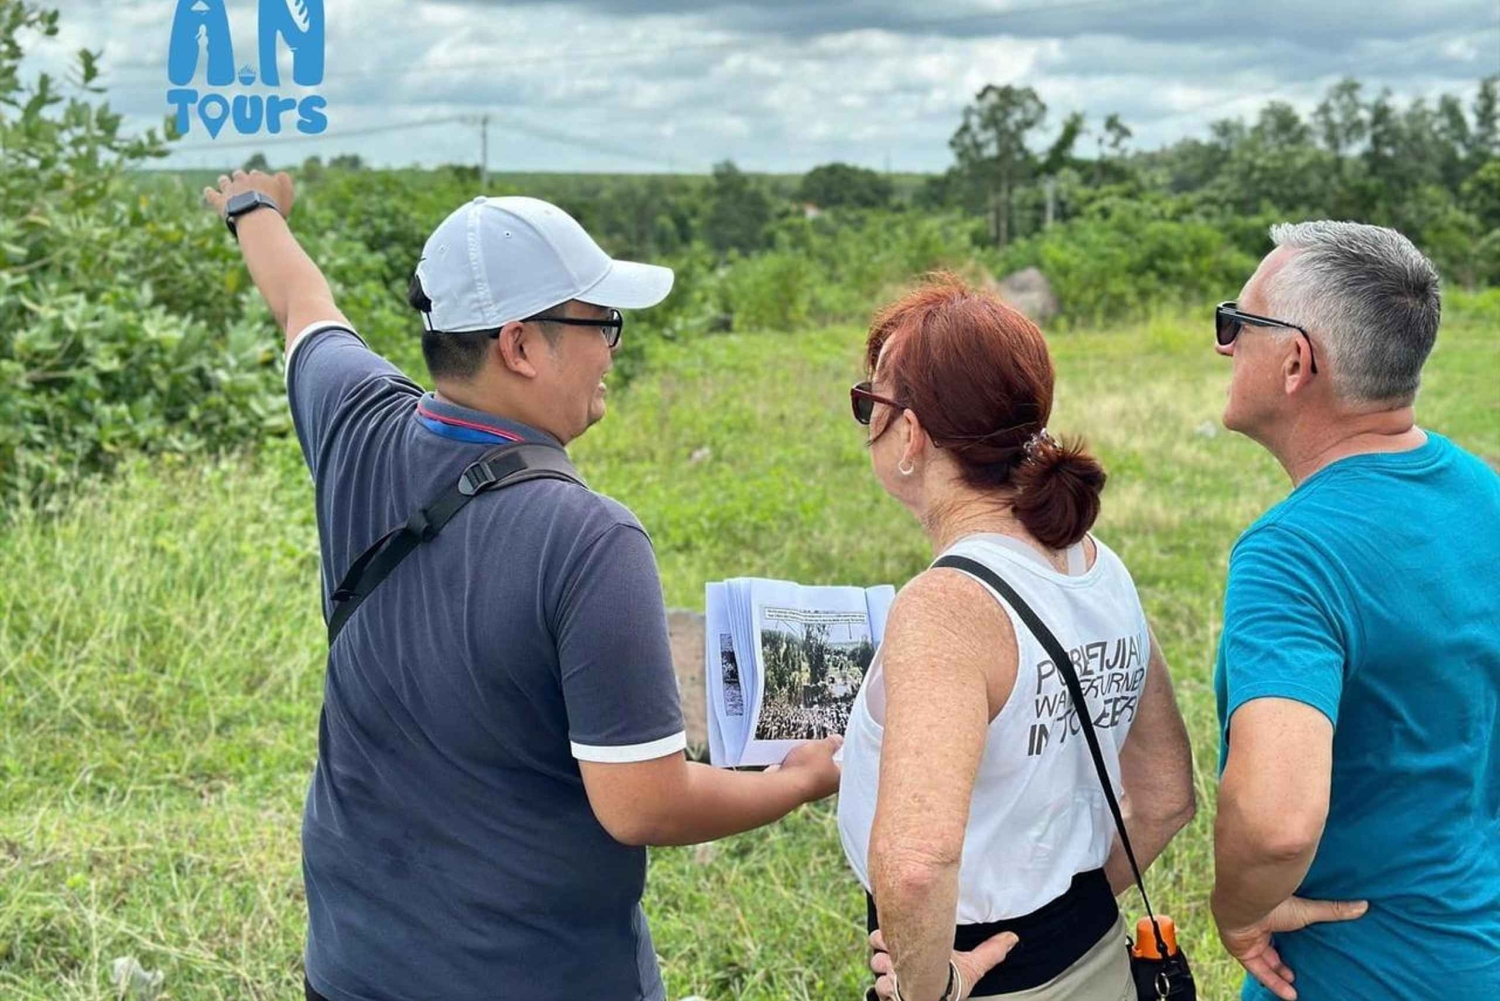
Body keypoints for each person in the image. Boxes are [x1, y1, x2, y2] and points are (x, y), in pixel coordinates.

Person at [201, 170, 842, 1001]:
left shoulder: (354, 417)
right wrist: (797, 780)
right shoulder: (591, 540)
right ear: (520, 345)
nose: (613, 346)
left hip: (354, 964)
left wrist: (253, 212)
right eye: (600, 322)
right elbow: (641, 803)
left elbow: (302, 305)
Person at [837, 276, 1197, 1001]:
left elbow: (914, 863)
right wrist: (1064, 919)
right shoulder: (1100, 566)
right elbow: (1167, 795)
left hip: (987, 977)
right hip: (1094, 960)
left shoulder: (946, 607)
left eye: (868, 403)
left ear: (910, 434)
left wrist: (929, 982)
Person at [1210, 221, 1500, 1001]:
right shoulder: (1486, 496)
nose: (1226, 344)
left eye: (1237, 322)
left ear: (1297, 361)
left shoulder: (1292, 555)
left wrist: (1236, 911)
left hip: (1353, 971)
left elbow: (1275, 819)